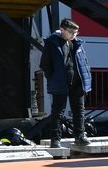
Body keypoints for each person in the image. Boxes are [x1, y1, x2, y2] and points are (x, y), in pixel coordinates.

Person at [39, 18, 91, 148]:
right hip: (60, 82)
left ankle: (80, 136)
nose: (74, 35)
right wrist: (52, 78)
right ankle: (55, 140)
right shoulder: (52, 43)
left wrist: (85, 79)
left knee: (79, 110)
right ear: (62, 30)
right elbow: (45, 64)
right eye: (71, 32)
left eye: (76, 32)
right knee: (58, 111)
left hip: (77, 82)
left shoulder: (77, 43)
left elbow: (83, 62)